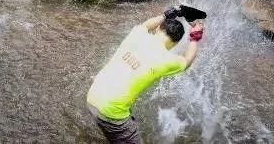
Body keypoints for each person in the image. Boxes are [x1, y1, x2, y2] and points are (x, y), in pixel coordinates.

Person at [87, 9, 204, 144]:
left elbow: (147, 25)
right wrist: (195, 35)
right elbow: (188, 60)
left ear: (160, 27)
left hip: (93, 96)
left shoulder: (137, 34)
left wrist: (169, 13)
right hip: (112, 112)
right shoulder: (167, 60)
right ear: (176, 43)